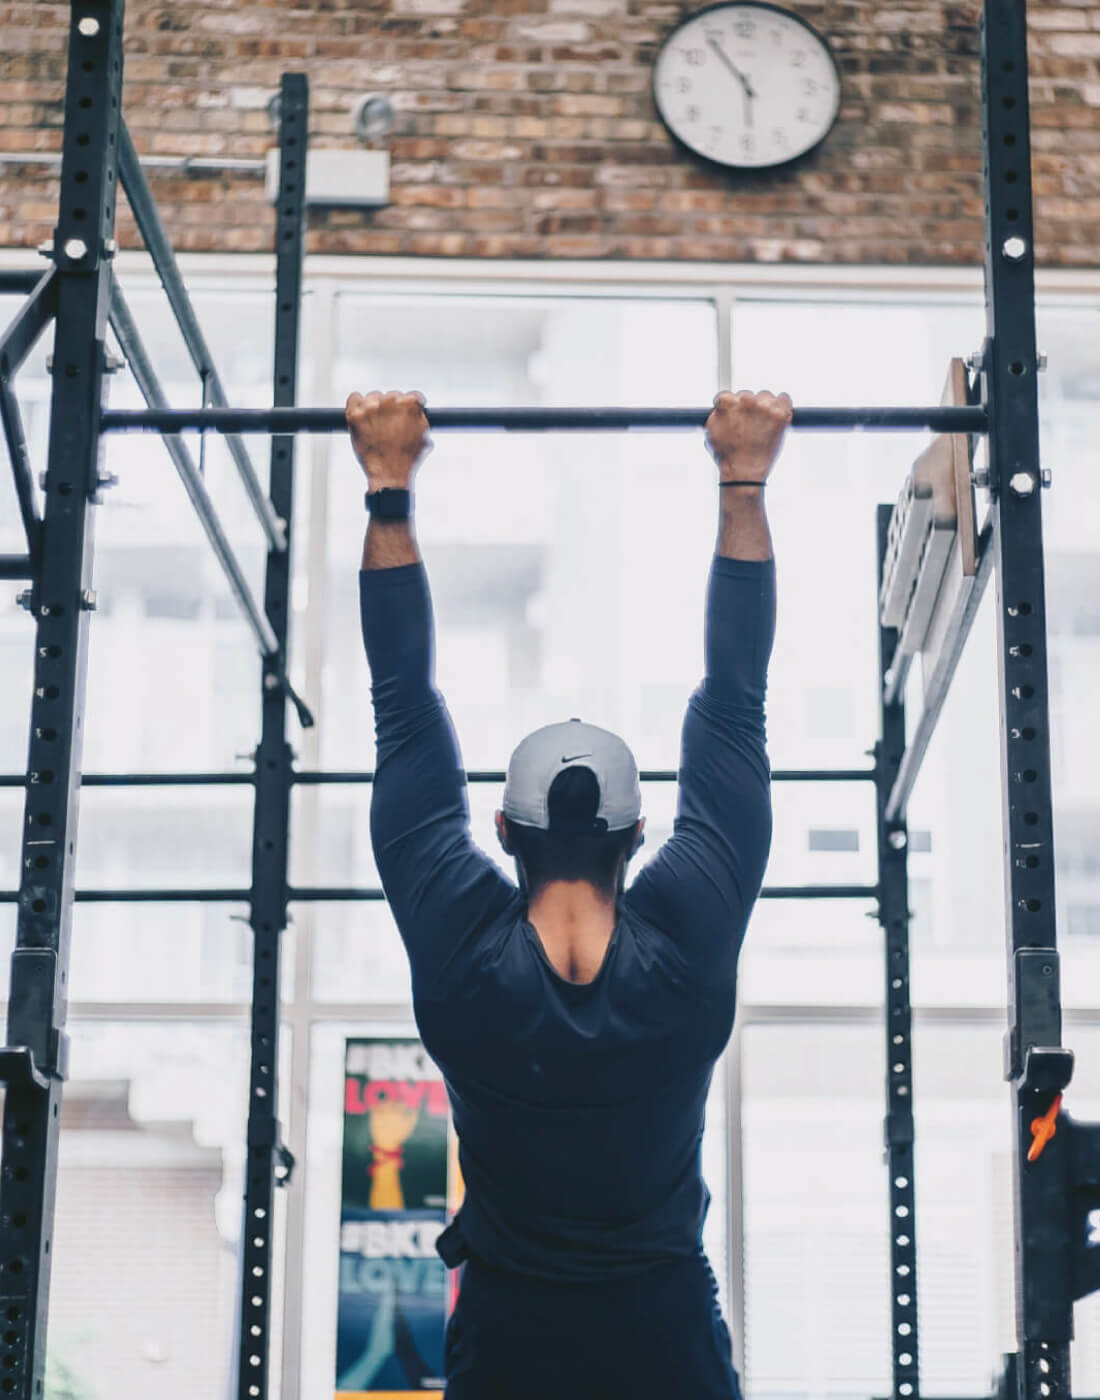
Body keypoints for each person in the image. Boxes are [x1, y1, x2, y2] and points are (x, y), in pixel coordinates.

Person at [349, 386, 792, 1400]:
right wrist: (741, 481)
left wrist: (386, 485)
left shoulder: (462, 952)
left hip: (508, 1328)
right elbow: (734, 702)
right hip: (662, 1320)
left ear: (501, 831)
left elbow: (403, 707)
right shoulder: (684, 943)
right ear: (640, 833)